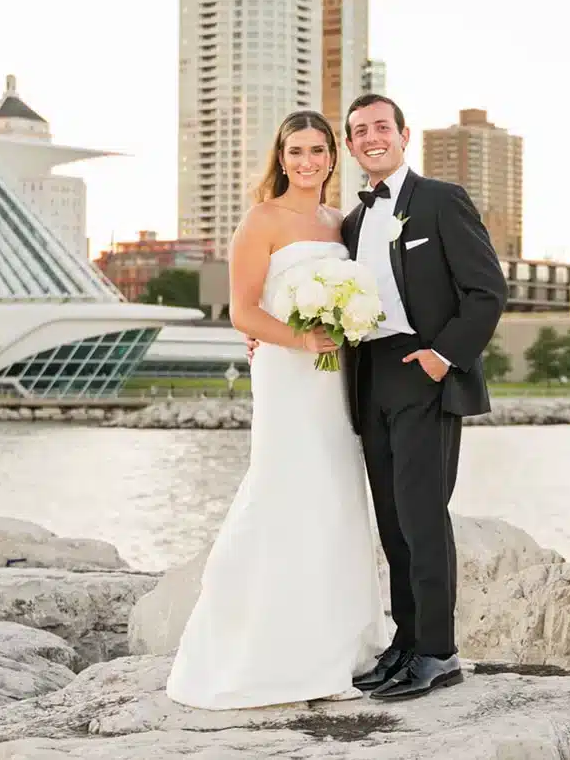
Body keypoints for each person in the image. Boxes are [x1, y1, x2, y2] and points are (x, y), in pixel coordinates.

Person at [166, 111, 387, 709]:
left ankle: (336, 643)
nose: (307, 160)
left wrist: (342, 325)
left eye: (318, 149)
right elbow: (242, 312)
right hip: (289, 376)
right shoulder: (260, 219)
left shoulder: (338, 222)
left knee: (337, 493)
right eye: (296, 151)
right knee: (285, 487)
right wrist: (301, 339)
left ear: (332, 157)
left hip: (332, 378)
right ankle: (263, 651)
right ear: (281, 157)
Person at [340, 94, 506, 701]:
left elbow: (487, 290)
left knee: (423, 518)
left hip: (425, 369)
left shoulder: (440, 201)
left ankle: (439, 652)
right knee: (392, 524)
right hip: (371, 375)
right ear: (353, 146)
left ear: (403, 135)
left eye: (381, 126)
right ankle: (406, 644)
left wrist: (442, 356)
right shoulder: (353, 223)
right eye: (359, 131)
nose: (371, 137)